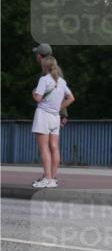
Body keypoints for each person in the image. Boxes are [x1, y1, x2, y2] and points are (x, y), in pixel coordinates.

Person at [31, 54, 74, 188]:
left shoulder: (44, 80)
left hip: (43, 115)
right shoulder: (61, 81)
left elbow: (38, 98)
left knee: (44, 148)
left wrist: (33, 93)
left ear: (44, 66)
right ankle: (52, 179)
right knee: (54, 148)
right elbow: (71, 98)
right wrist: (58, 107)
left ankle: (47, 178)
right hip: (55, 117)